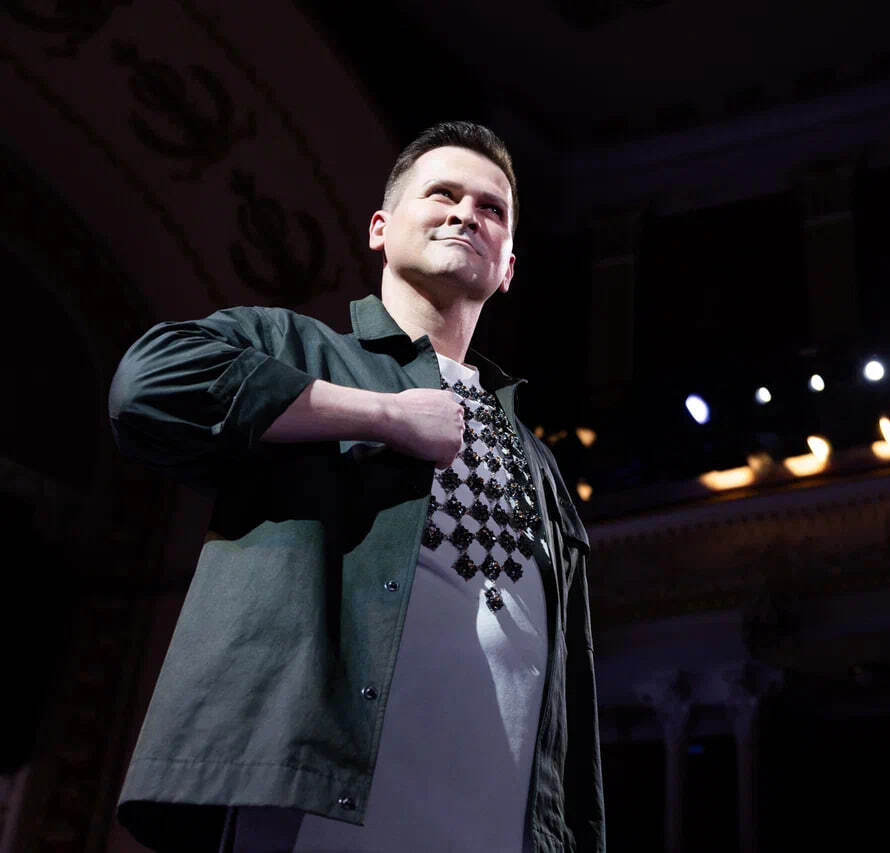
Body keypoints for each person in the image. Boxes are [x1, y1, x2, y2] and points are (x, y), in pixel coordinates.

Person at [108, 121, 605, 852]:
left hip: (497, 825)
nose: (466, 214)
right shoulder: (298, 348)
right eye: (442, 194)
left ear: (508, 268)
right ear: (381, 229)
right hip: (318, 811)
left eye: (491, 208)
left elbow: (572, 691)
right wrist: (383, 414)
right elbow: (148, 383)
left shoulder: (539, 461)